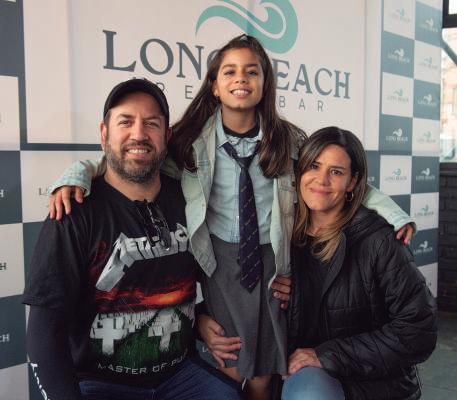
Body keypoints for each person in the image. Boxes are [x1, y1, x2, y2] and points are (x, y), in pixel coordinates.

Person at [47, 36, 414, 399]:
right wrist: (78, 174)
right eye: (230, 71)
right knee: (231, 356)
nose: (241, 79)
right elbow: (132, 160)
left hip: (271, 258)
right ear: (214, 85)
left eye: (252, 72)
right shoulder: (190, 142)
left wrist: (393, 214)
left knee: (265, 367)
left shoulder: (287, 139)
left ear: (266, 84)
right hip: (219, 261)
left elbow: (340, 176)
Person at [23, 78, 243, 400]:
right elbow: (44, 331)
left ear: (167, 136)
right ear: (104, 134)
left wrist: (202, 318)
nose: (139, 134)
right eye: (125, 122)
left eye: (151, 123)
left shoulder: (192, 199)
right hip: (100, 383)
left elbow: (222, 275)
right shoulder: (74, 211)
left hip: (180, 376)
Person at [282, 127, 437, 400]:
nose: (321, 180)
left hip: (372, 384)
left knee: (309, 392)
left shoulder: (379, 239)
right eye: (314, 166)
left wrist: (327, 355)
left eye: (336, 172)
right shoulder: (282, 234)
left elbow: (418, 331)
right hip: (294, 370)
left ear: (352, 182)